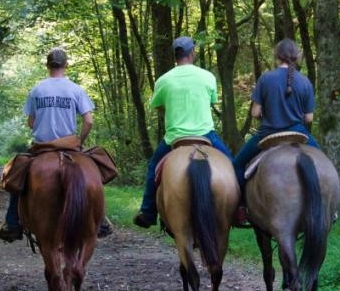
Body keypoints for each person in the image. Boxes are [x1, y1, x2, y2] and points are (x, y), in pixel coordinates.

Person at [0, 47, 97, 242]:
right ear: (66, 65)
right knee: (94, 172)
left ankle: (12, 222)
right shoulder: (76, 89)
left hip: (41, 147)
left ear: (47, 65)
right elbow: (89, 121)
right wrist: (79, 141)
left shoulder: (37, 89)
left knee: (18, 176)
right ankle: (100, 219)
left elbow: (31, 122)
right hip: (69, 146)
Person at [133, 36, 234, 228]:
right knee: (232, 164)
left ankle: (147, 212)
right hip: (206, 135)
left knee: (153, 169)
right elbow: (212, 102)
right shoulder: (207, 77)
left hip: (175, 138)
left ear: (175, 55)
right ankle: (239, 209)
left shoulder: (164, 80)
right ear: (192, 53)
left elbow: (158, 106)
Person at [233, 39, 320, 190]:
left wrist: (267, 115)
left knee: (237, 165)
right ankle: (331, 211)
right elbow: (309, 118)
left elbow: (255, 113)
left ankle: (240, 208)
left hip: (268, 135)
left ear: (277, 56)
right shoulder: (305, 82)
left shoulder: (266, 78)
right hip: (298, 134)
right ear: (296, 56)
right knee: (324, 162)